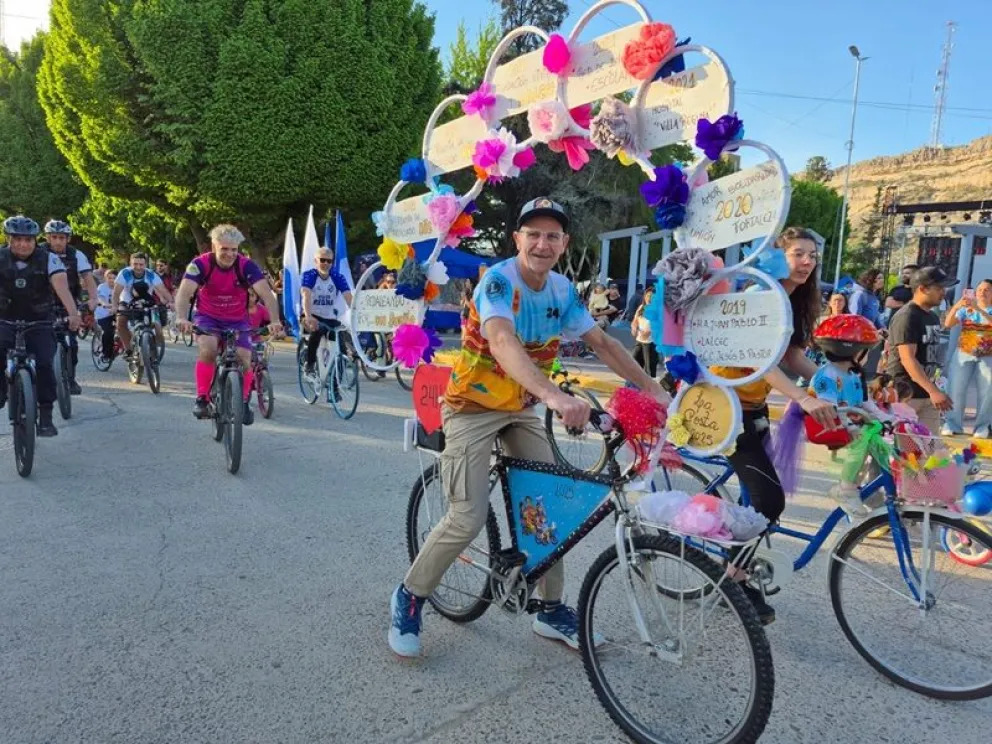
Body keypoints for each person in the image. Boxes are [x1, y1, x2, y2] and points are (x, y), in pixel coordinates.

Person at [387, 197, 671, 658]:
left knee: (548, 512)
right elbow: (502, 341)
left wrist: (651, 389)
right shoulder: (499, 282)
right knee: (466, 517)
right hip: (472, 407)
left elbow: (600, 342)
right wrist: (555, 397)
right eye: (532, 234)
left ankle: (550, 610)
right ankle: (410, 596)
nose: (542, 243)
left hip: (520, 408)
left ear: (564, 243)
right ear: (517, 239)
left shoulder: (561, 289)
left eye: (552, 235)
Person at [712, 227, 837, 624]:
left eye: (812, 256)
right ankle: (734, 582)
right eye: (799, 253)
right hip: (725, 407)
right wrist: (801, 397)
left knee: (760, 499)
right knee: (769, 501)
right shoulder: (759, 296)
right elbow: (760, 362)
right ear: (776, 256)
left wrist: (836, 386)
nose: (807, 262)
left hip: (755, 407)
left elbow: (794, 358)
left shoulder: (793, 300)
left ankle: (743, 566)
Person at [174, 225, 282, 423]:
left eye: (234, 249)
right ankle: (202, 398)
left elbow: (267, 294)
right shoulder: (200, 264)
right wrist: (181, 317)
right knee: (208, 349)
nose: (230, 254)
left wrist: (275, 320)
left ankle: (243, 401)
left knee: (245, 357)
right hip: (208, 317)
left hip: (237, 319)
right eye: (224, 249)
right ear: (214, 247)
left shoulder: (246, 265)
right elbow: (184, 292)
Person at [0, 215, 81, 437]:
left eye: (28, 240)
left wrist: (73, 314)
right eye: (18, 239)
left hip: (39, 319)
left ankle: (45, 415)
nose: (23, 244)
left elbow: (62, 288)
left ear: (35, 241)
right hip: (4, 317)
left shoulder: (49, 259)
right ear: (9, 239)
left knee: (45, 364)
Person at [885, 267, 957, 434]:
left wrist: (933, 389)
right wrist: (933, 390)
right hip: (905, 394)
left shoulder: (931, 316)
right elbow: (908, 358)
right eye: (939, 288)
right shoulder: (907, 316)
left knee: (930, 450)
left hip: (927, 394)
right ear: (922, 289)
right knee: (903, 452)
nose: (943, 292)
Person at [40, 219, 97, 395]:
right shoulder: (38, 252)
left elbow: (87, 277)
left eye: (62, 238)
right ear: (48, 238)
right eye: (54, 237)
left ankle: (70, 380)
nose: (58, 241)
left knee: (71, 344)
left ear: (68, 239)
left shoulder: (76, 255)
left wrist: (93, 299)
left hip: (68, 302)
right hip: (42, 303)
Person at [941, 279, 992, 437]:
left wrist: (979, 309)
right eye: (980, 289)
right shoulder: (967, 310)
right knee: (955, 389)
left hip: (988, 355)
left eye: (987, 290)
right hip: (964, 353)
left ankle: (983, 426)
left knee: (987, 391)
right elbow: (948, 324)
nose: (982, 292)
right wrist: (957, 305)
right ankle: (952, 424)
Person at [300, 247, 353, 377]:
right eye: (322, 260)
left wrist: (356, 313)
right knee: (316, 332)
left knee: (340, 342)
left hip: (329, 317)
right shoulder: (309, 275)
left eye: (329, 261)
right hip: (312, 315)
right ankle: (310, 364)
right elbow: (306, 296)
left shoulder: (337, 277)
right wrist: (308, 316)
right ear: (315, 261)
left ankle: (336, 381)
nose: (326, 264)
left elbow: (348, 297)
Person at [112, 252, 173, 356]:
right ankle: (129, 350)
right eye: (135, 264)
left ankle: (150, 343)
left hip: (145, 301)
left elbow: (163, 290)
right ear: (130, 264)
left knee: (155, 323)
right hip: (126, 300)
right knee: (120, 322)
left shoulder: (150, 274)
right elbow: (116, 293)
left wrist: (172, 302)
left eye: (141, 264)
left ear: (145, 265)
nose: (138, 267)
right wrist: (114, 306)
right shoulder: (125, 273)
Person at [631, 284, 657, 377]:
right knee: (634, 362)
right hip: (639, 340)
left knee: (649, 368)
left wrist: (649, 332)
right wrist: (634, 328)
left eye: (652, 296)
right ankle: (632, 385)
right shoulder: (641, 307)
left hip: (651, 342)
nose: (649, 298)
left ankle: (650, 388)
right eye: (648, 296)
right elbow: (635, 321)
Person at [95, 270, 118, 362]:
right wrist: (104, 304)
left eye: (114, 278)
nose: (112, 280)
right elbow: (100, 298)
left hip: (116, 312)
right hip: (104, 314)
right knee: (108, 332)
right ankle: (105, 353)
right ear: (105, 278)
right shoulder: (102, 287)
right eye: (109, 278)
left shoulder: (120, 287)